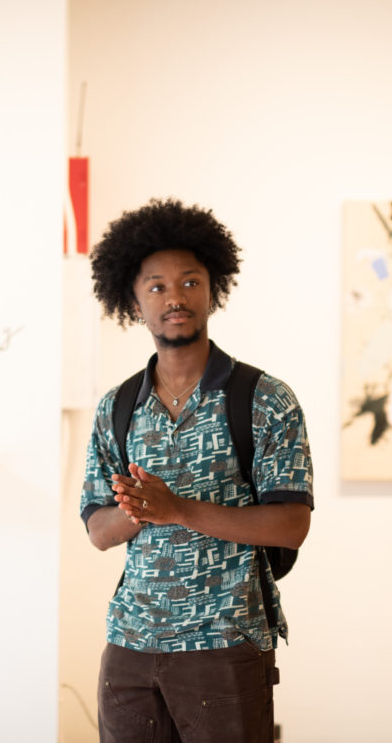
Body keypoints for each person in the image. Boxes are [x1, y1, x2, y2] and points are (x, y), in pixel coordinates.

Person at [79, 198, 314, 743]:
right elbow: (97, 531)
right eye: (156, 286)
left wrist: (177, 509)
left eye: (190, 282)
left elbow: (291, 525)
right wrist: (140, 512)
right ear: (133, 300)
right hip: (129, 650)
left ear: (213, 289)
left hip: (225, 645)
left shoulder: (264, 399)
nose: (175, 298)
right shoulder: (117, 408)